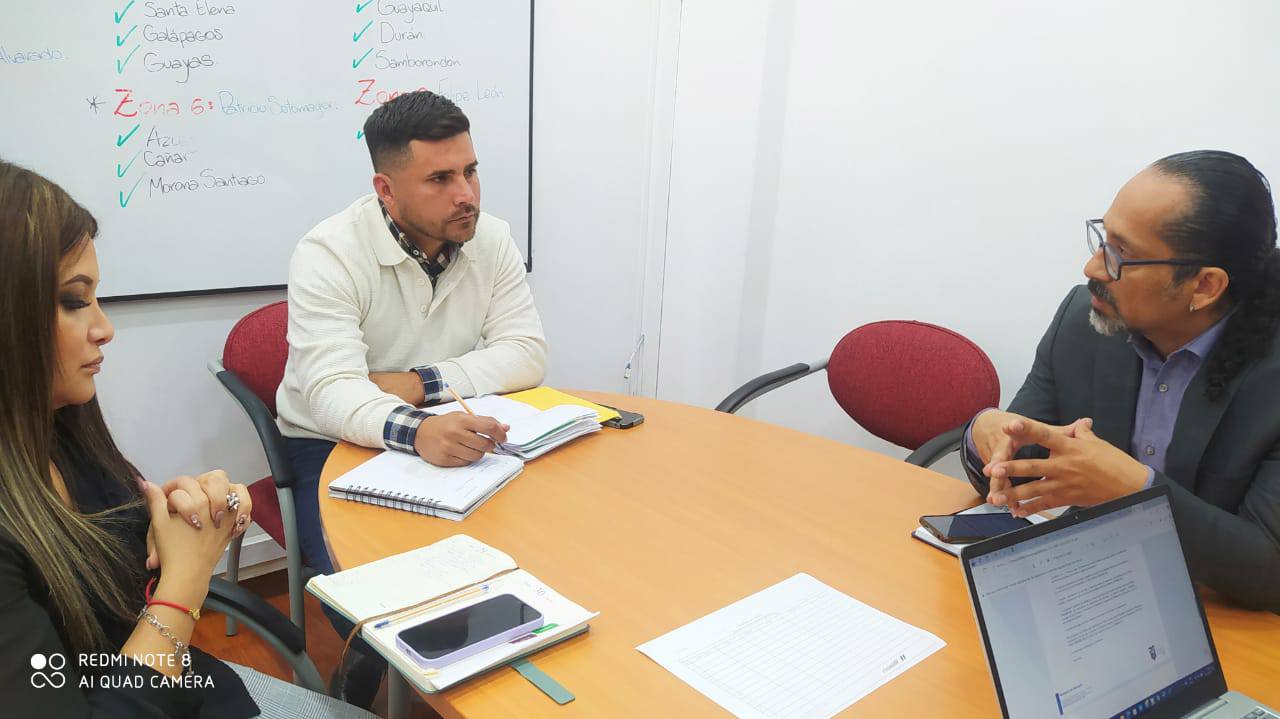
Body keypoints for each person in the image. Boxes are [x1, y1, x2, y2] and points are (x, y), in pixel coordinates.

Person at [0, 160, 375, 716]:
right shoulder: (336, 257)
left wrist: (196, 518)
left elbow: (117, 567)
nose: (105, 328)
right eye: (74, 301)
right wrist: (185, 582)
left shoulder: (60, 428)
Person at [963, 150, 1280, 612]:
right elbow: (1021, 458)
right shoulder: (1082, 320)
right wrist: (986, 432)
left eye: (1121, 255)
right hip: (1093, 595)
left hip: (1220, 619)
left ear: (1205, 286)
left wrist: (1134, 489)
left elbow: (1270, 570)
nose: (1093, 269)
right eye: (1103, 239)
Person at [276, 90, 547, 578]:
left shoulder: (491, 237)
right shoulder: (328, 252)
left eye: (470, 171)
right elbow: (332, 392)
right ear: (386, 189)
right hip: (330, 441)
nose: (466, 195)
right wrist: (417, 430)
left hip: (449, 422)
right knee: (372, 588)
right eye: (440, 179)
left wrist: (421, 384)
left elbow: (525, 354)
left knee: (537, 544)